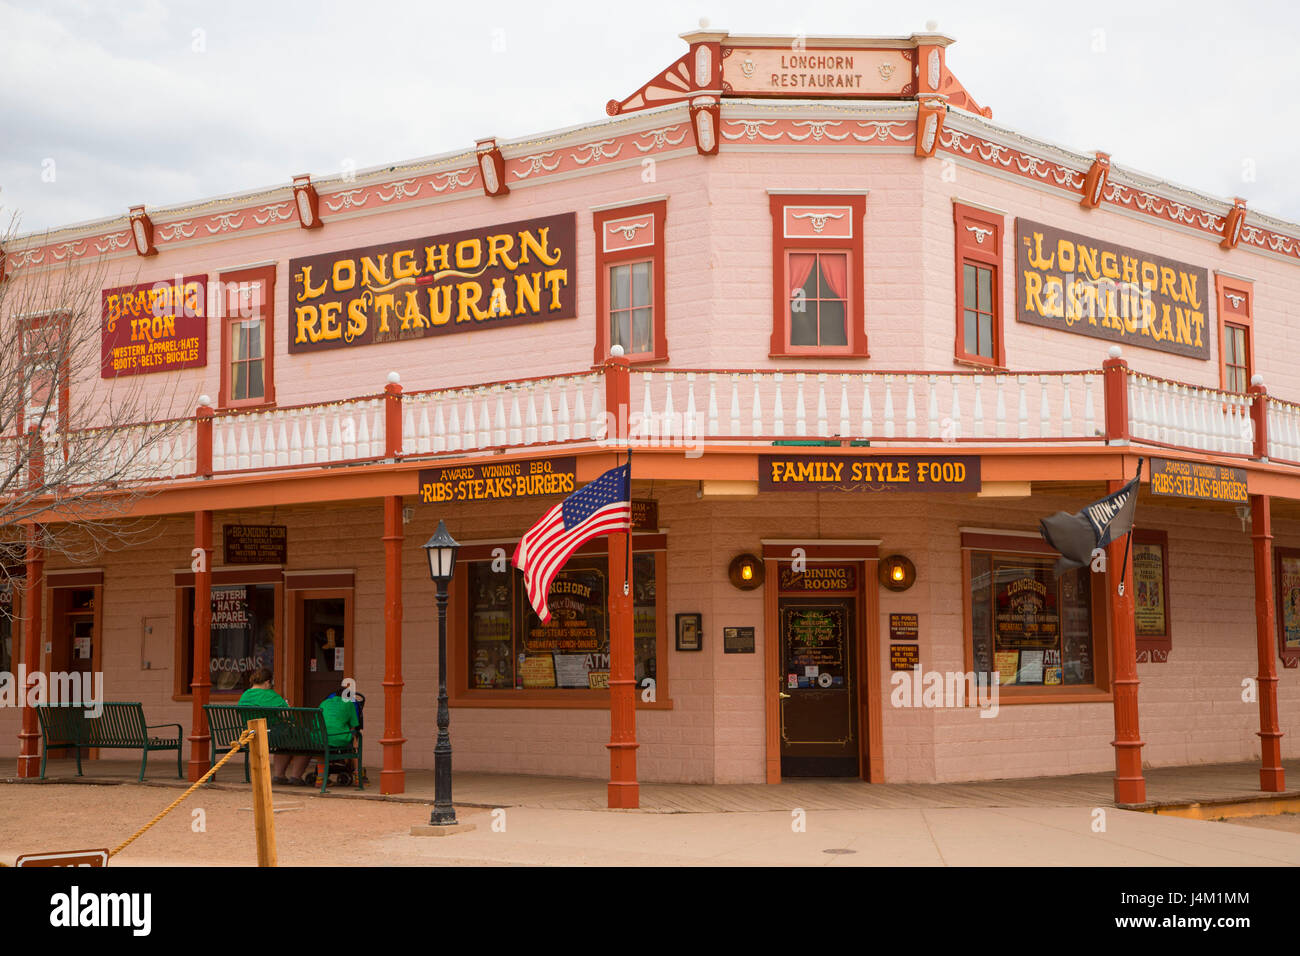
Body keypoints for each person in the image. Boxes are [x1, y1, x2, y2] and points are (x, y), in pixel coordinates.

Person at [237, 668, 311, 786]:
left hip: (250, 735)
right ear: (267, 682)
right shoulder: (270, 695)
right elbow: (288, 716)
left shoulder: (245, 695)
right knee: (306, 738)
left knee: (286, 740)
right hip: (271, 735)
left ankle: (279, 775)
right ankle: (296, 776)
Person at [319, 682, 361, 777]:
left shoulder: (324, 703)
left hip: (319, 739)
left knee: (322, 747)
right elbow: (354, 726)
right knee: (355, 737)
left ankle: (320, 778)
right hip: (337, 739)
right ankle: (358, 774)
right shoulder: (349, 703)